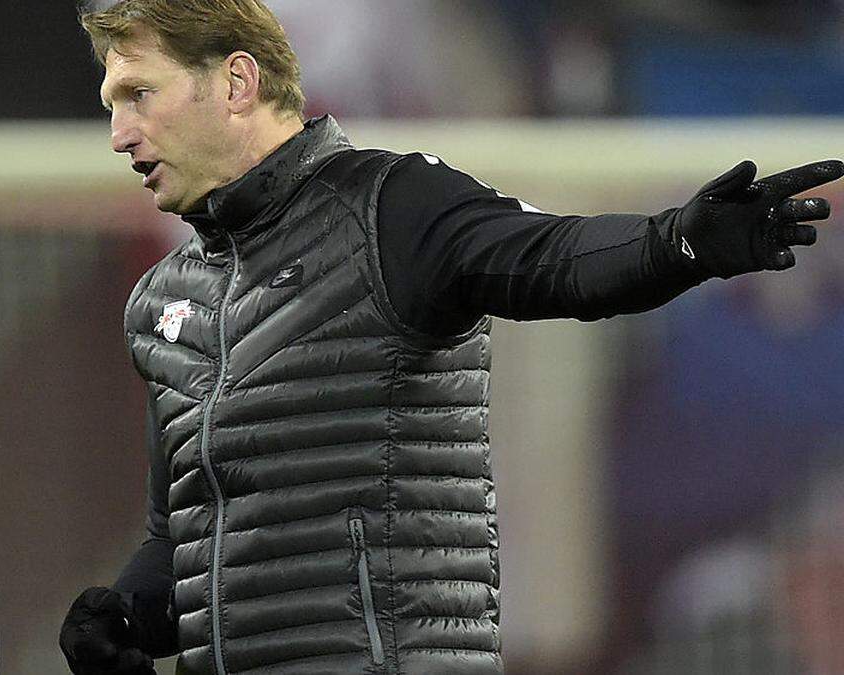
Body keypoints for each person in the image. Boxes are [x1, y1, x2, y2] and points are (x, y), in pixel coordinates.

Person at [57, 1, 842, 673]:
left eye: (139, 96)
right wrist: (124, 615)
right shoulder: (163, 301)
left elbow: (554, 260)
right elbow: (186, 537)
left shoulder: (392, 206)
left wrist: (678, 243)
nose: (120, 134)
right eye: (111, 103)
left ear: (235, 83)